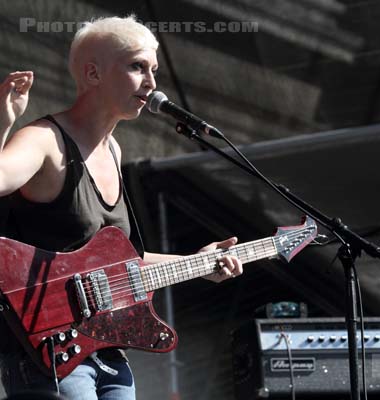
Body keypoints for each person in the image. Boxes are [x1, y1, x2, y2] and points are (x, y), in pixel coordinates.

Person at [0, 16, 243, 399]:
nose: (151, 83)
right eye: (136, 66)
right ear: (93, 73)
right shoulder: (44, 140)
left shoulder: (113, 150)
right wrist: (3, 123)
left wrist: (197, 263)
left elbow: (118, 264)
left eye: (154, 70)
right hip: (49, 353)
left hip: (106, 349)